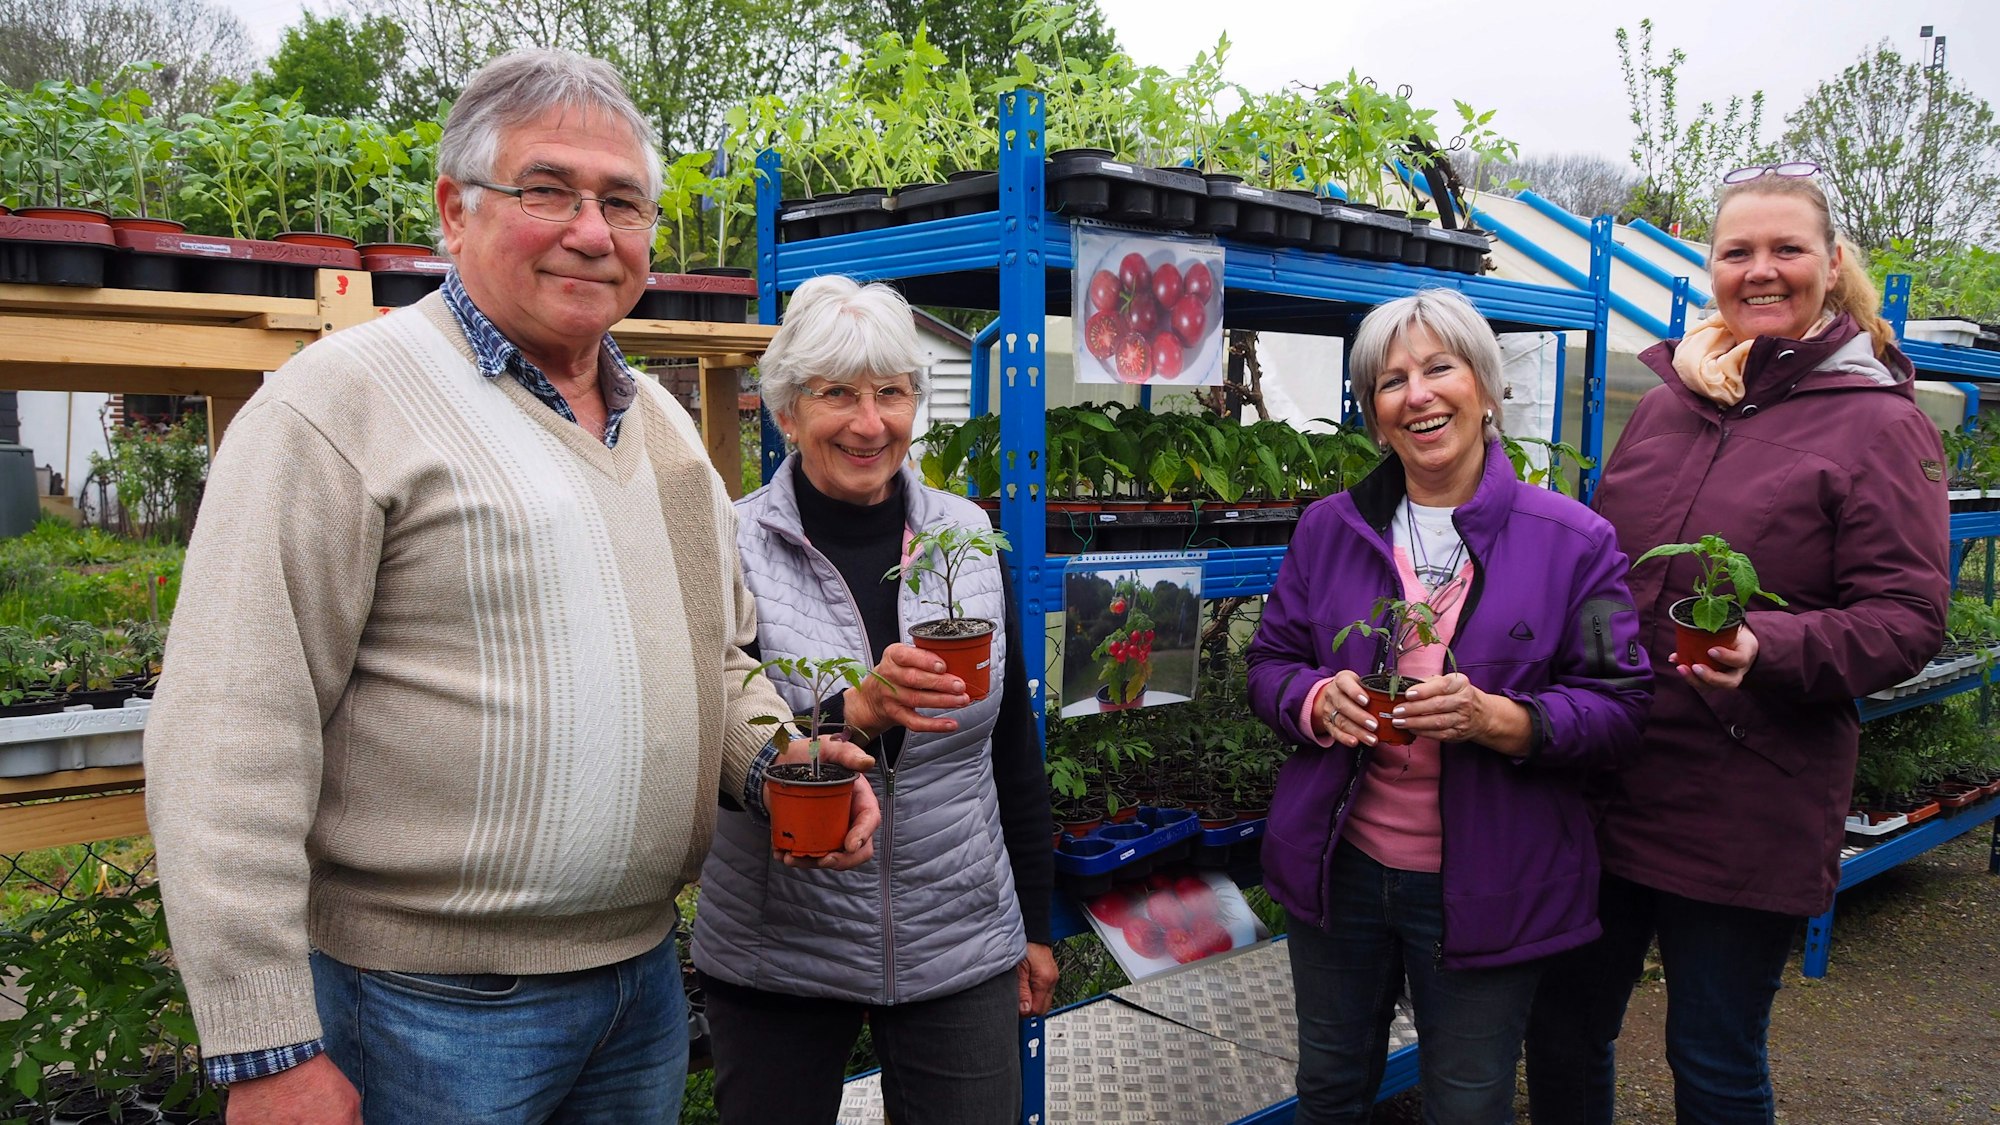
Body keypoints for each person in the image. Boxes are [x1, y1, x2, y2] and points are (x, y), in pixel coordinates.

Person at [143, 47, 878, 1125]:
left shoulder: (666, 432)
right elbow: (229, 727)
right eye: (547, 190)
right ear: (453, 209)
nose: (592, 230)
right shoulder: (340, 407)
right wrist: (264, 1047)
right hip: (424, 1006)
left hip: (637, 989)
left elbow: (712, 661)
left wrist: (776, 760)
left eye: (623, 202)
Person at [1523, 164, 1950, 1124]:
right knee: (1561, 1030)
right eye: (1738, 251)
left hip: (1747, 788)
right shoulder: (1674, 394)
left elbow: (1909, 615)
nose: (1762, 270)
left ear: (1832, 265)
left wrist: (1770, 645)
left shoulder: (1881, 422)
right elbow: (1606, 557)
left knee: (1711, 1059)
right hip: (1608, 775)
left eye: (1786, 249)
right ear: (1709, 267)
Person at [1245, 288, 1653, 1124]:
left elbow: (1621, 704)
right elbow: (1269, 661)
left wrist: (1501, 720)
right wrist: (1315, 697)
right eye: (1390, 382)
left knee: (1468, 1102)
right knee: (1329, 1088)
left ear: (1486, 388)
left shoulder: (1577, 540)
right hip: (1341, 867)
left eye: (1440, 368)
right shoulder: (1329, 529)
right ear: (1373, 414)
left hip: (1490, 879)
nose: (1418, 395)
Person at [691, 275, 1056, 1124]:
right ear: (786, 410)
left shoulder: (965, 537)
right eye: (838, 394)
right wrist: (849, 714)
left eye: (891, 392)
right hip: (779, 944)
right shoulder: (729, 545)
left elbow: (1012, 748)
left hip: (954, 930)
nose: (869, 422)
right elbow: (707, 737)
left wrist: (1032, 926)